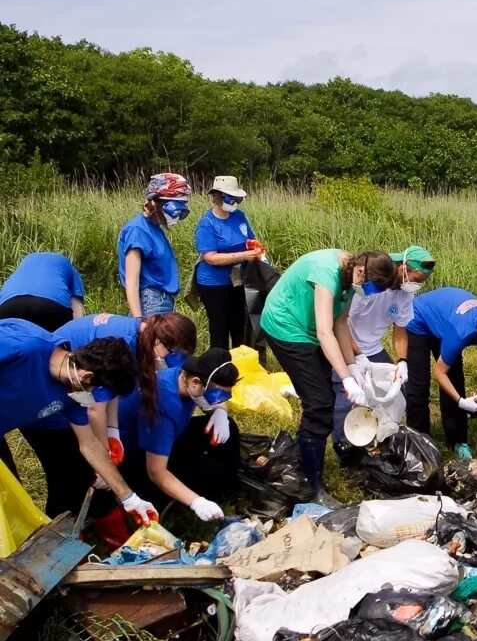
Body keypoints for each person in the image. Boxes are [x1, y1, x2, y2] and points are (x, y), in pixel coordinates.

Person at [20, 312, 198, 525]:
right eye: (175, 354)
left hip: (68, 391)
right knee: (65, 469)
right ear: (159, 341)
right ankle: (57, 529)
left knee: (81, 464)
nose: (174, 362)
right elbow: (95, 409)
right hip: (45, 404)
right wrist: (103, 455)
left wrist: (112, 430)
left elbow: (110, 390)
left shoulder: (140, 339)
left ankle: (79, 521)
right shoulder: (123, 344)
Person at [260, 249, 398, 498]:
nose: (368, 294)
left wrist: (354, 362)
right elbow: (325, 332)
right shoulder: (327, 274)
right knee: (319, 402)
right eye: (370, 288)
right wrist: (345, 376)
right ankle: (311, 485)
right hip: (286, 326)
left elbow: (340, 323)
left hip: (312, 329)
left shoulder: (352, 279)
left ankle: (320, 458)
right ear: (360, 272)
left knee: (325, 398)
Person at [0, 319, 155, 532]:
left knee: (11, 499)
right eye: (97, 393)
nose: (93, 400)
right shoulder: (25, 347)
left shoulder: (72, 395)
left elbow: (89, 445)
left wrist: (129, 497)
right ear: (87, 376)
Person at [89, 348, 240, 537]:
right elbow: (156, 472)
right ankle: (204, 501)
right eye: (217, 396)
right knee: (207, 474)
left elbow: (215, 394)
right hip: (136, 455)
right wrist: (196, 502)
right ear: (195, 383)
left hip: (171, 434)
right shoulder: (161, 406)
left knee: (230, 428)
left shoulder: (184, 370)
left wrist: (220, 411)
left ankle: (229, 494)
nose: (220, 401)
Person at [331, 245, 435, 453]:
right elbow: (341, 324)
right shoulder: (370, 285)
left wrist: (402, 362)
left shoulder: (405, 294)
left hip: (374, 348)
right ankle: (345, 448)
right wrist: (357, 358)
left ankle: (379, 439)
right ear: (403, 267)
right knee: (349, 397)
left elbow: (400, 331)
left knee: (395, 390)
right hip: (347, 346)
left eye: (421, 283)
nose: (416, 285)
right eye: (416, 279)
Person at [404, 286, 477, 460]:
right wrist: (461, 402)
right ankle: (418, 441)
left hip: (446, 320)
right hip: (419, 320)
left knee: (455, 381)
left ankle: (458, 440)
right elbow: (439, 373)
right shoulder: (462, 333)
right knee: (419, 385)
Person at [194, 175, 264, 350]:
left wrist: (256, 249)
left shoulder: (239, 216)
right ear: (217, 197)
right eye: (229, 197)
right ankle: (220, 370)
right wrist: (243, 256)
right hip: (214, 284)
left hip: (238, 281)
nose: (234, 202)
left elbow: (250, 239)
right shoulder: (207, 223)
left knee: (239, 327)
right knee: (220, 330)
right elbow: (210, 257)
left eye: (236, 198)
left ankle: (240, 367)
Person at [120, 173, 191, 317]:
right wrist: (138, 320)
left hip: (162, 300)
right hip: (151, 303)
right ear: (156, 202)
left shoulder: (154, 227)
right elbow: (131, 281)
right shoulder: (137, 230)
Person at [0, 252, 86, 331]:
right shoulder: (67, 266)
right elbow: (77, 311)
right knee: (57, 344)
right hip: (51, 305)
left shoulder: (20, 270)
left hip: (9, 305)